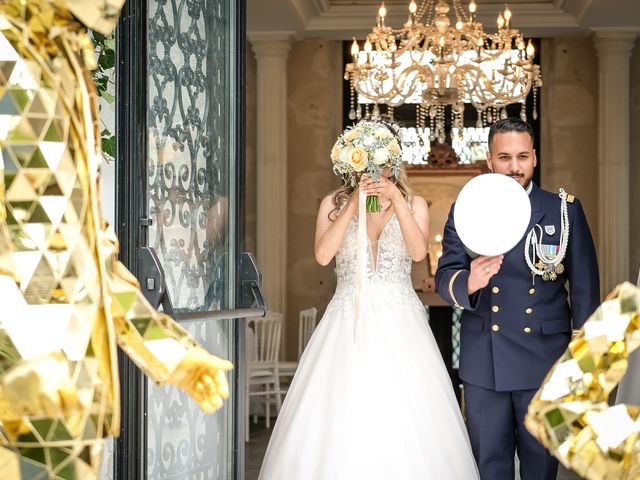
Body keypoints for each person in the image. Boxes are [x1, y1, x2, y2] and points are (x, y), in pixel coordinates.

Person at [258, 127, 479, 479]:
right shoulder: (332, 203)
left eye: (381, 163)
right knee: (342, 404)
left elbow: (419, 251)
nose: (375, 172)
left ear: (393, 160)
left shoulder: (414, 203)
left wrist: (394, 195)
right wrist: (351, 206)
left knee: (404, 407)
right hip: (347, 316)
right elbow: (322, 255)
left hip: (401, 320)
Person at [435, 118, 600, 480]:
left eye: (522, 156)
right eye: (505, 157)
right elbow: (444, 277)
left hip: (544, 360)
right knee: (489, 465)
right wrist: (471, 281)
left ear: (535, 158)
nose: (514, 166)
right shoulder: (467, 209)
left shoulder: (563, 210)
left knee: (541, 466)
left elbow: (586, 289)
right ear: (490, 160)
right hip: (484, 361)